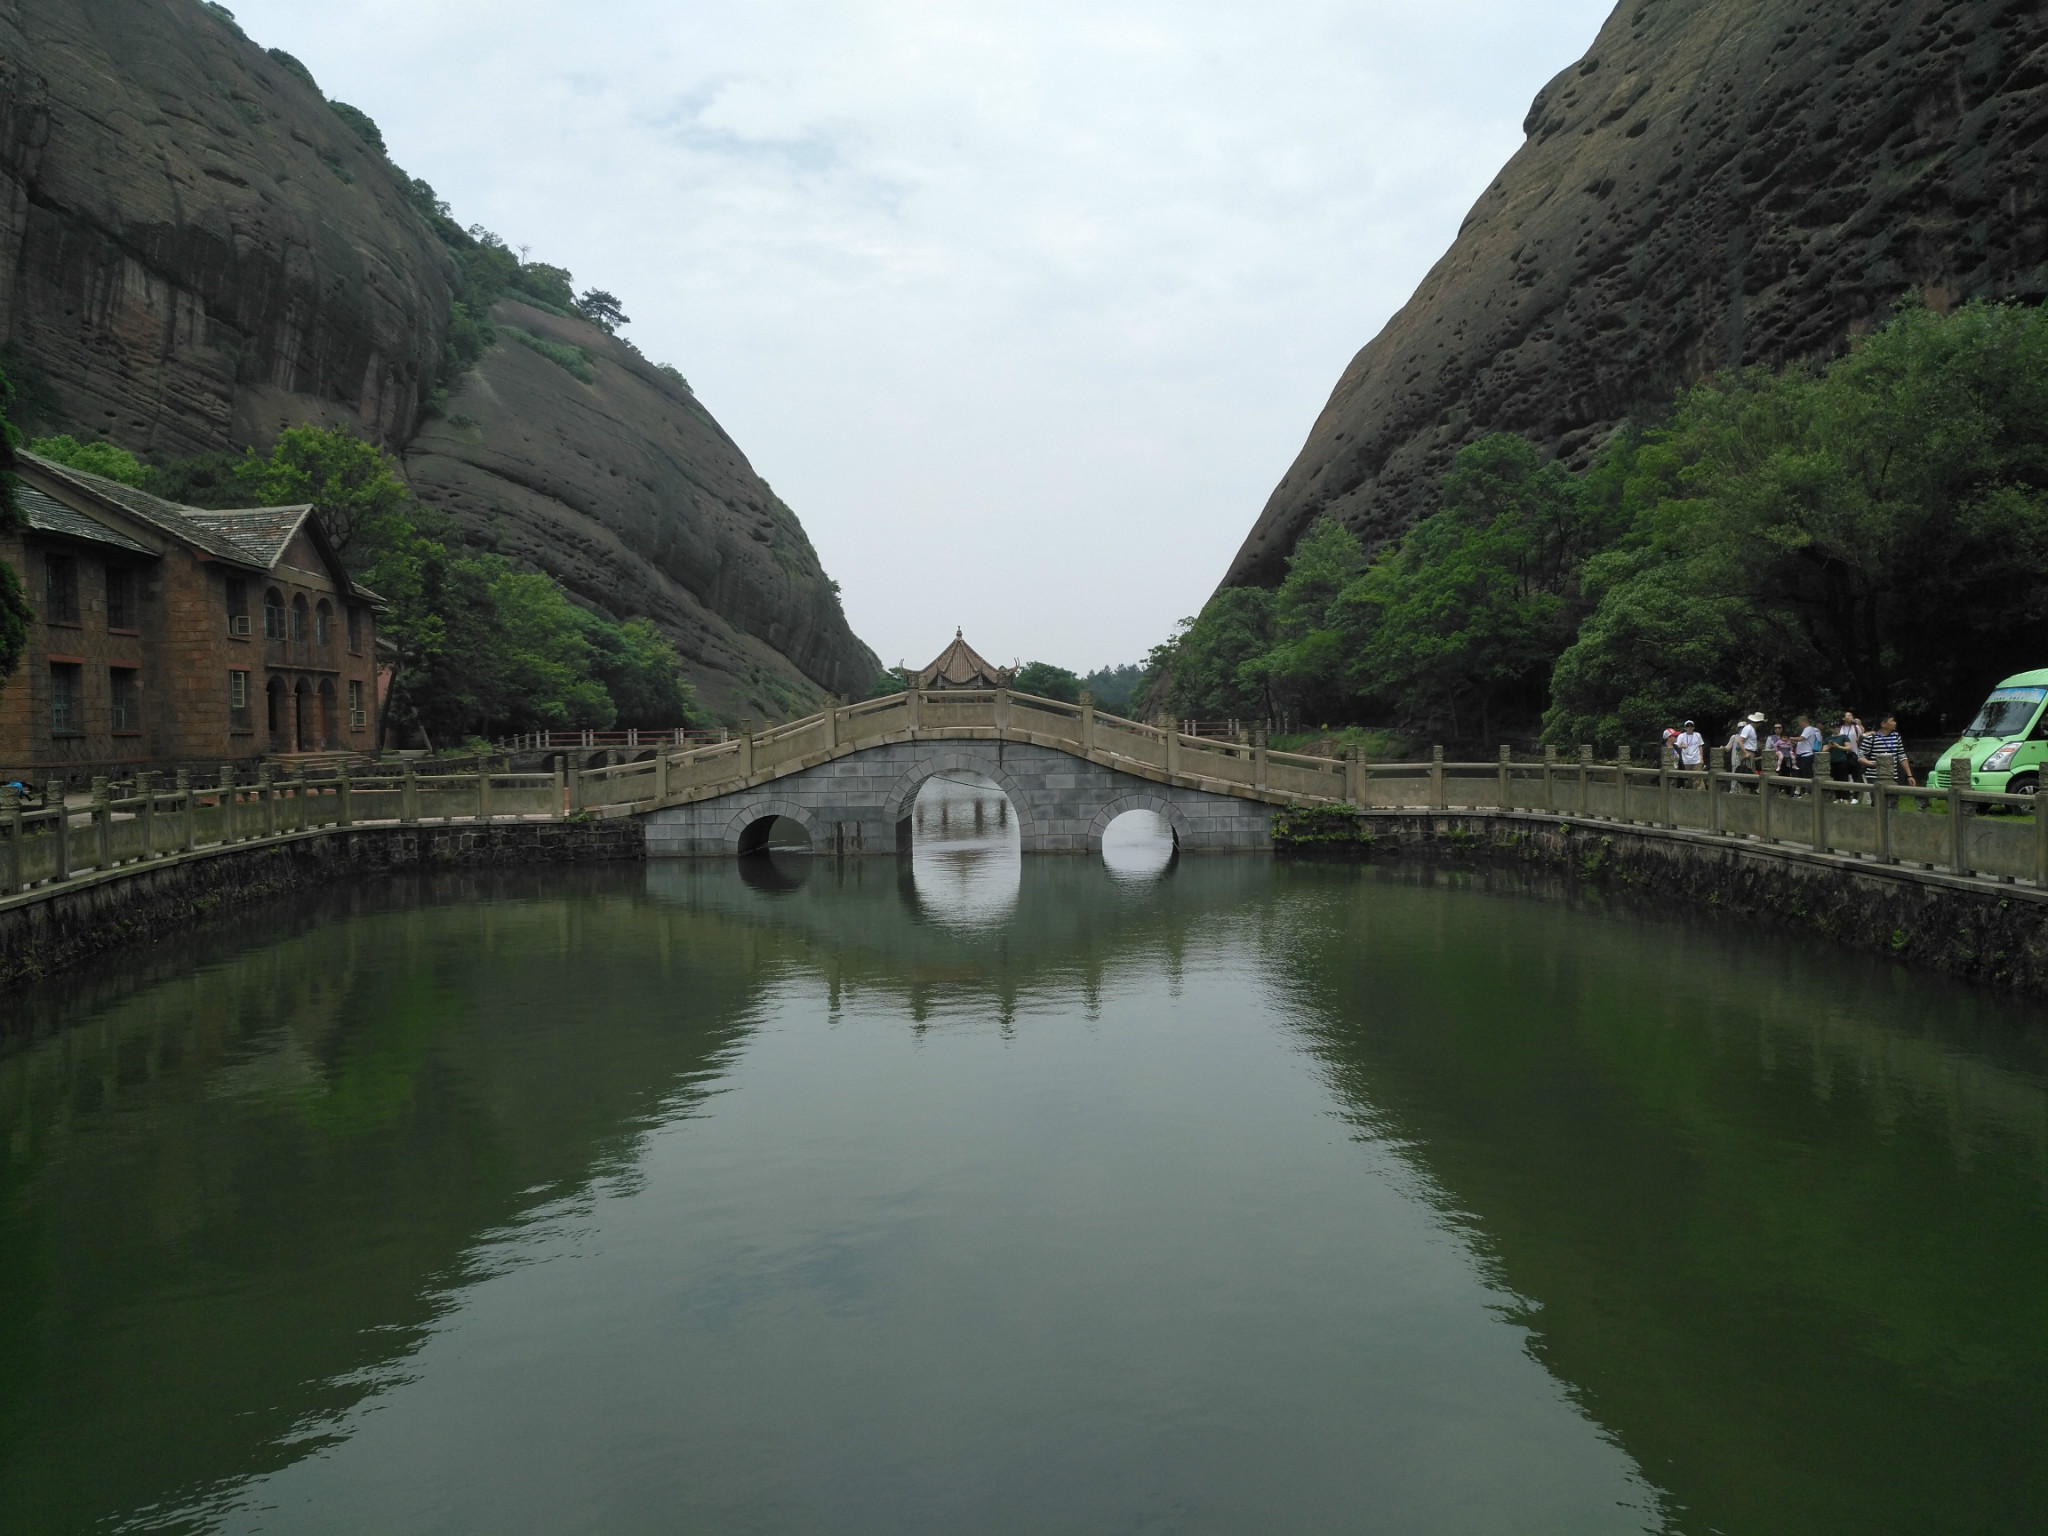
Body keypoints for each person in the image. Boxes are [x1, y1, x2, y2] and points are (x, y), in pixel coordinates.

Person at [1863, 714, 1914, 786]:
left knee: (1892, 796)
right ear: (1883, 724)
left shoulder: (1896, 737)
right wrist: (1873, 764)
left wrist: (1909, 775)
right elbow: (1861, 756)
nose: (1895, 723)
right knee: (1878, 796)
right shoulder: (1871, 738)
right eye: (1892, 721)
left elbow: (1902, 757)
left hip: (1892, 775)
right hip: (1874, 776)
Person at [1795, 715, 1823, 779]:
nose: (1799, 724)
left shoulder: (1809, 729)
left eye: (1799, 722)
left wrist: (1790, 738)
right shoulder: (1805, 730)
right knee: (1800, 774)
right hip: (1801, 755)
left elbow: (1801, 738)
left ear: (1803, 721)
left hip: (1807, 755)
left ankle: (1808, 788)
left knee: (1806, 774)